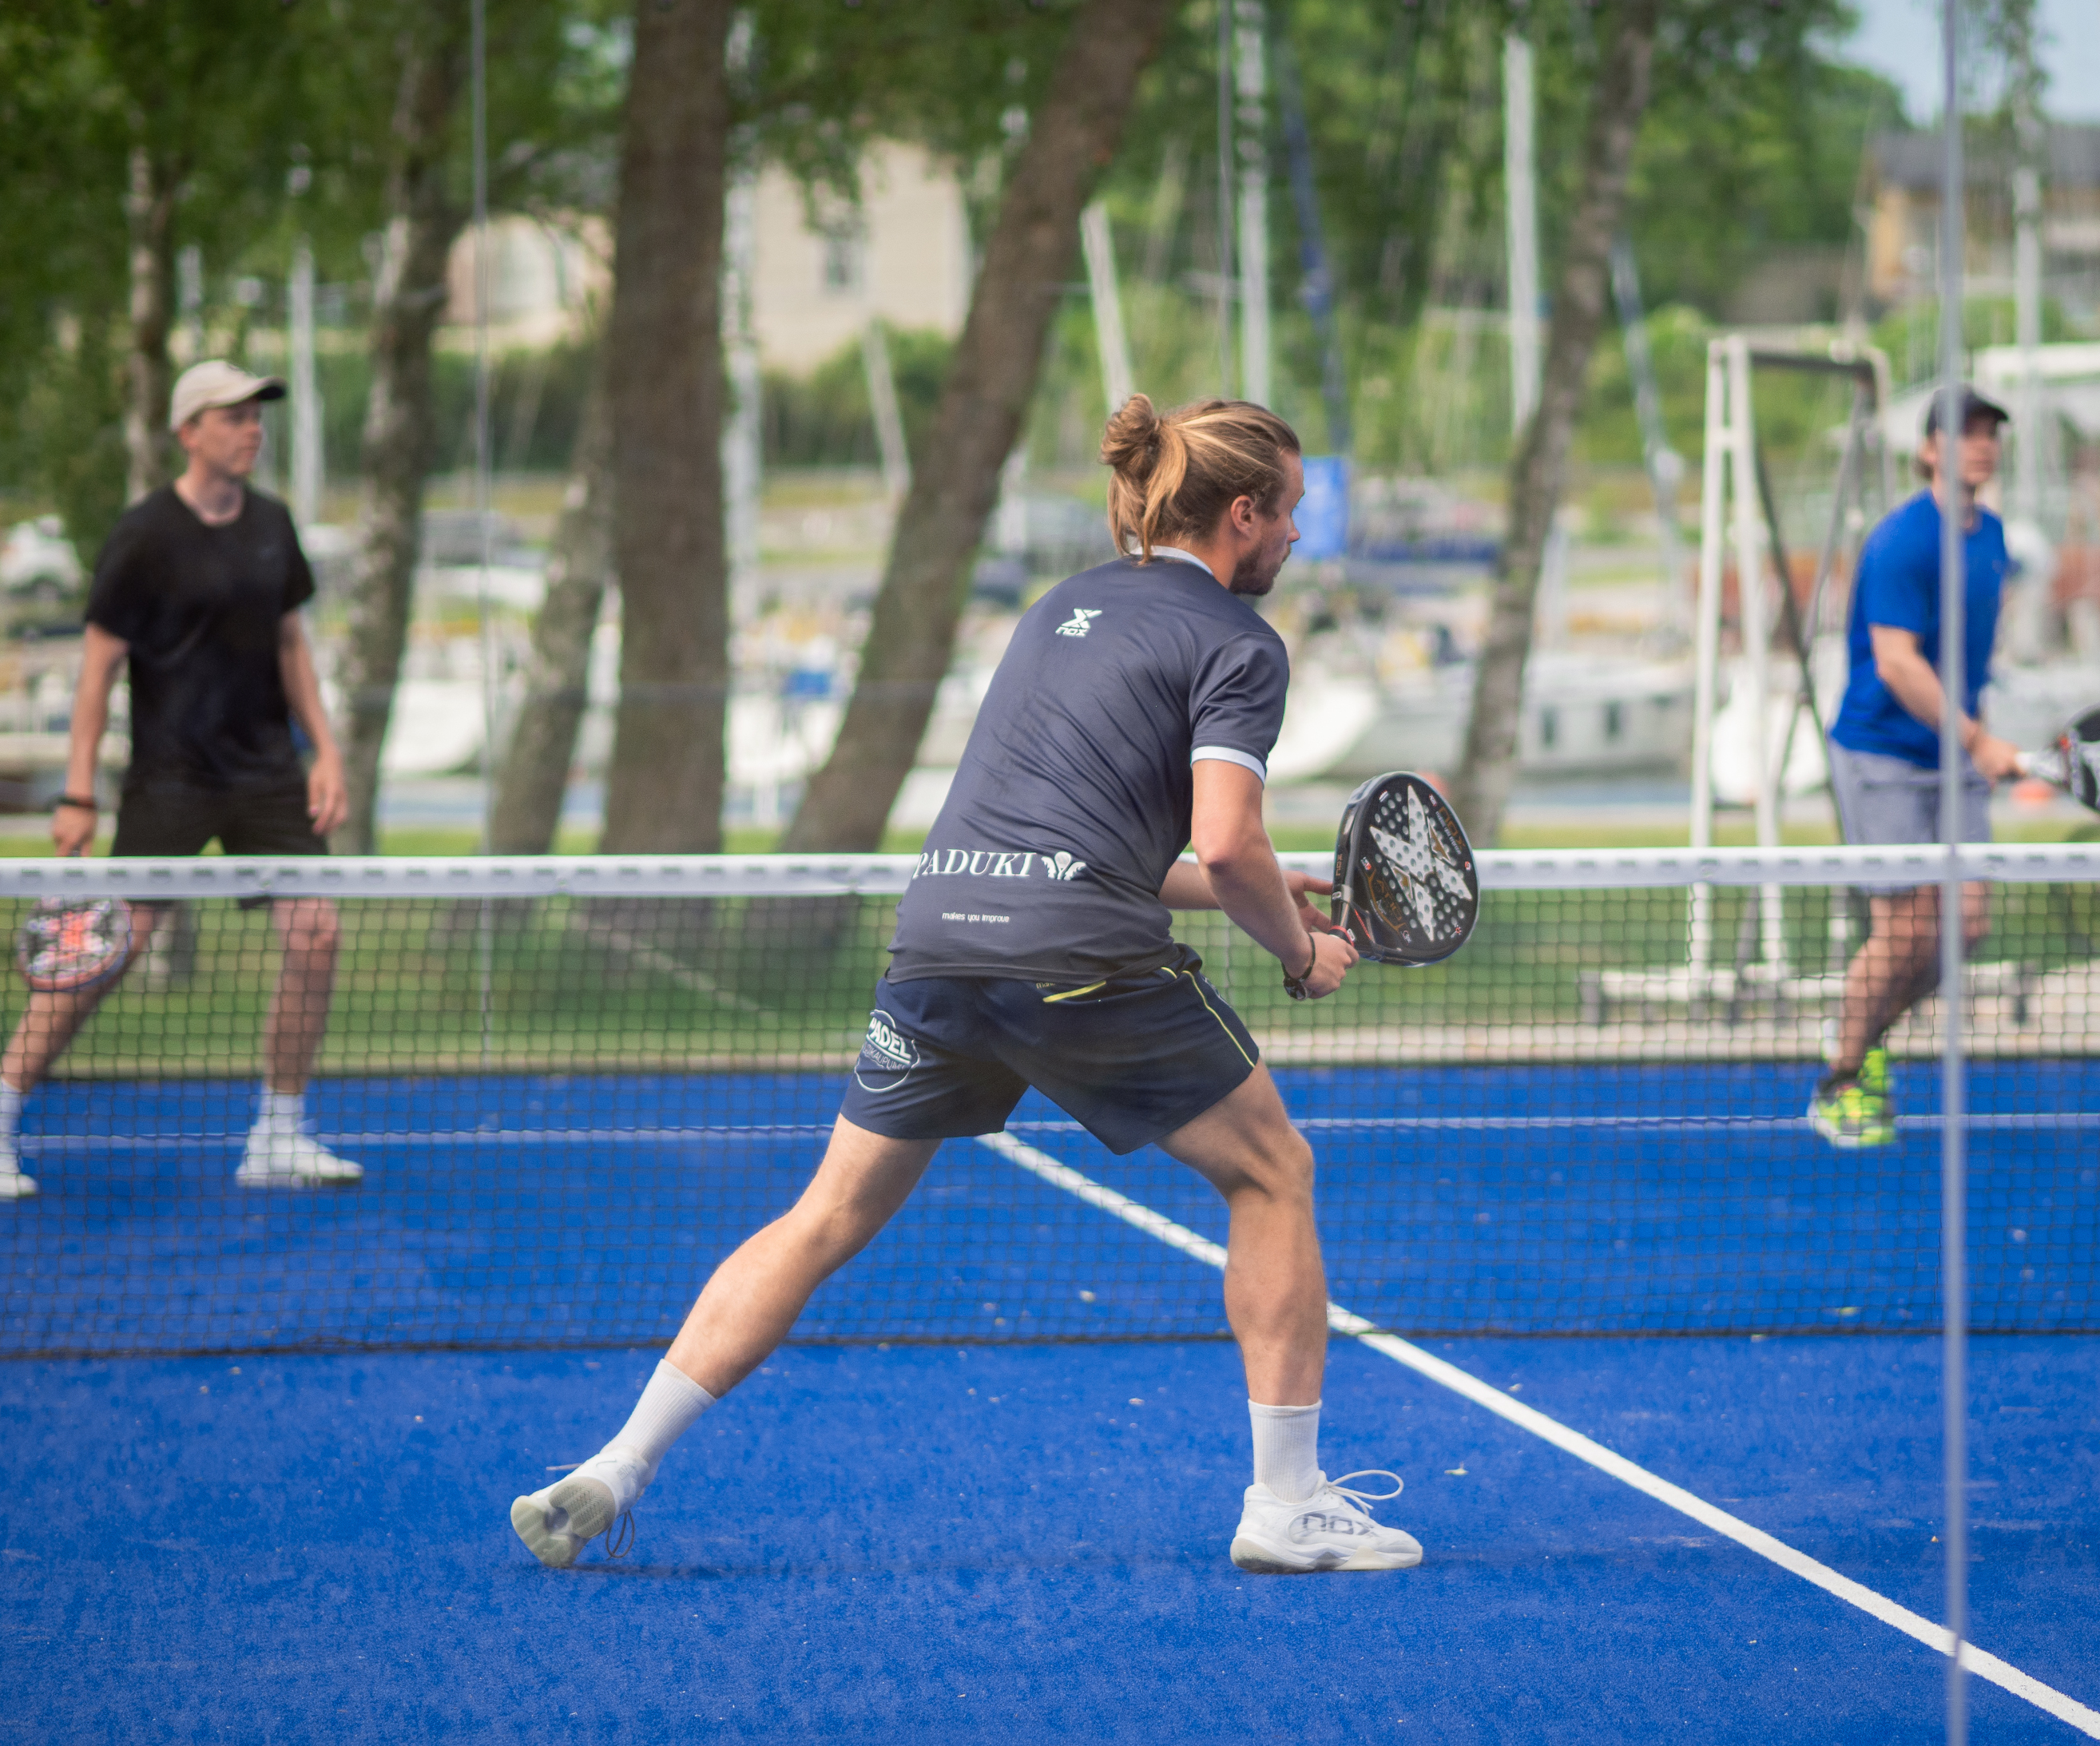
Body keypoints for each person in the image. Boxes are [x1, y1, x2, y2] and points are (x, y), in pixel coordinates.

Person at [510, 396, 1422, 1576]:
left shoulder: (1060, 609)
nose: (1297, 534)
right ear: (1240, 514)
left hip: (940, 943)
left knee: (822, 1215)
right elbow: (1229, 840)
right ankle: (1286, 1503)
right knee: (1273, 1171)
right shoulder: (1240, 644)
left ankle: (617, 1462)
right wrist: (1300, 954)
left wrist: (1252, 892)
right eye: (1289, 511)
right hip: (1078, 960)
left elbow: (1110, 842)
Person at [0, 360, 358, 1200]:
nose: (252, 430)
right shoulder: (144, 534)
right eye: (234, 417)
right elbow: (95, 671)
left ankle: (278, 1134)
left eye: (257, 417)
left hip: (268, 772)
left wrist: (328, 751)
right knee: (106, 952)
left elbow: (291, 645)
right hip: (172, 776)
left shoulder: (272, 523)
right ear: (190, 430)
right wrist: (78, 792)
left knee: (317, 932)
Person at [1809, 388, 2022, 1149]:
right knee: (1903, 932)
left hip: (1954, 753)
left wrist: (1979, 738)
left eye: (1990, 433)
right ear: (1929, 449)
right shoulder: (1902, 541)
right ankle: (1842, 1077)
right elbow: (1898, 664)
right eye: (1964, 433)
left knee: (1964, 926)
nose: (1981, 444)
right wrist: (1976, 741)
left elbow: (1965, 657)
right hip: (1883, 756)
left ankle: (1864, 1036)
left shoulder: (1991, 536)